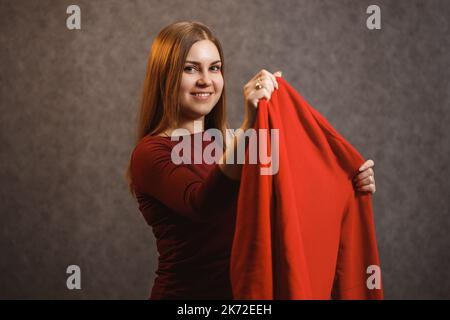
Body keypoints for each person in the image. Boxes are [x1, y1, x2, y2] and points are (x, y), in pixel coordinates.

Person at [126, 21, 376, 300]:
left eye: (215, 68)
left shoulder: (230, 145)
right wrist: (249, 124)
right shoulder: (149, 154)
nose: (206, 80)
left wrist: (347, 183)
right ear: (165, 76)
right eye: (190, 68)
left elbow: (290, 198)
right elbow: (202, 203)